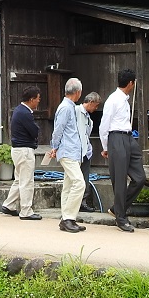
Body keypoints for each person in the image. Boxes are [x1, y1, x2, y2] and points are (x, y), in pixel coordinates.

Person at [99, 68, 146, 232]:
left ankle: (117, 208)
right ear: (131, 83)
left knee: (140, 177)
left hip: (128, 137)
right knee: (120, 179)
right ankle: (121, 217)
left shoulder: (125, 99)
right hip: (116, 138)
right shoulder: (113, 99)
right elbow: (104, 125)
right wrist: (106, 147)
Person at [49, 77, 86, 233]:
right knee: (79, 183)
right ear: (77, 92)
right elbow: (58, 129)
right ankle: (68, 218)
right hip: (68, 151)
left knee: (69, 185)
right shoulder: (66, 107)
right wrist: (54, 146)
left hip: (71, 151)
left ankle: (67, 218)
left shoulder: (69, 106)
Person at [1, 86, 43, 220]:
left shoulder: (19, 110)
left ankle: (9, 204)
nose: (38, 101)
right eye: (37, 98)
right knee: (26, 181)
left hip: (17, 149)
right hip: (24, 150)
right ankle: (26, 210)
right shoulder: (25, 113)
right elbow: (35, 131)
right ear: (31, 99)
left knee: (19, 179)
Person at [77, 91, 101, 212]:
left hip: (86, 151)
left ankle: (83, 202)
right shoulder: (76, 111)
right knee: (76, 179)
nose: (96, 108)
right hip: (76, 151)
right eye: (96, 105)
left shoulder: (88, 116)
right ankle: (74, 203)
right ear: (91, 102)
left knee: (85, 178)